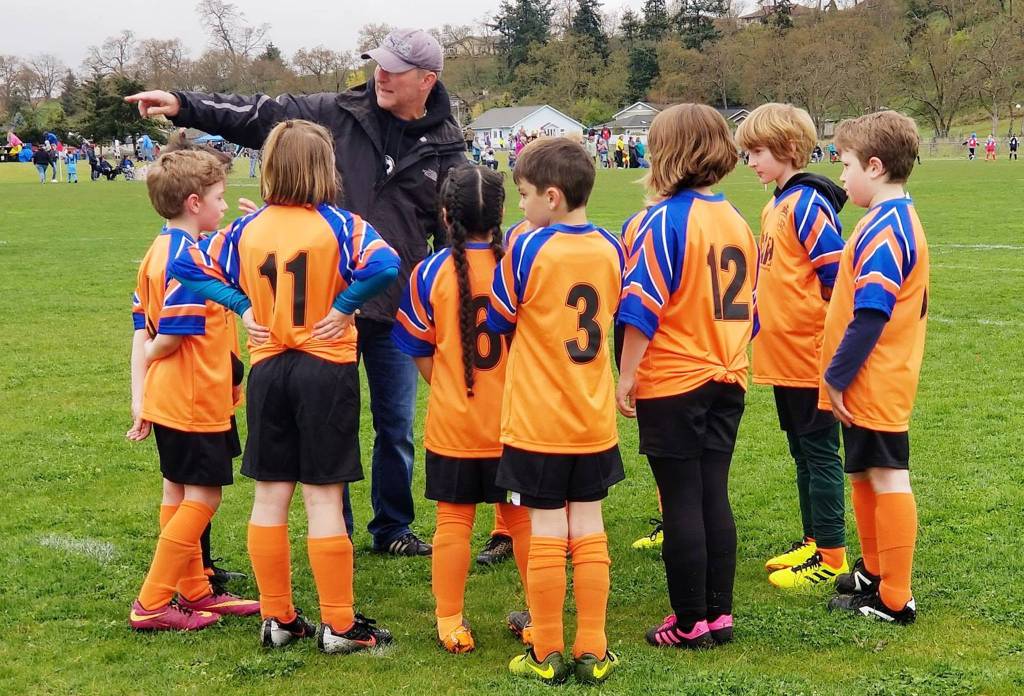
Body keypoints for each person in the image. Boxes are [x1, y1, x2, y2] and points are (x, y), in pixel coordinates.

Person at [128, 27, 468, 557]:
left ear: (426, 80)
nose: (379, 73)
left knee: (396, 426)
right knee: (333, 419)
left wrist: (450, 307)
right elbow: (259, 113)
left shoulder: (447, 144)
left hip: (394, 306)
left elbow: (452, 234)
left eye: (393, 68)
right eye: (377, 63)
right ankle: (339, 527)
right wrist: (183, 105)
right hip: (320, 309)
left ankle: (393, 527)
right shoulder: (337, 110)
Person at [170, 119, 401, 651]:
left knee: (270, 497)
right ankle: (339, 626)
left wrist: (243, 304)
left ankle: (277, 620)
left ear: (270, 167)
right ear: (325, 168)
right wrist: (344, 307)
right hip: (325, 369)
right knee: (323, 499)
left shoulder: (245, 231)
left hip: (269, 370)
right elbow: (386, 264)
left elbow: (187, 263)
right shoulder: (343, 225)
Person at [616, 104, 756, 650]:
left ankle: (689, 620)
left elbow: (640, 307)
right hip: (729, 373)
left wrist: (627, 377)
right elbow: (754, 310)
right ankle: (719, 616)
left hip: (675, 377)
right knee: (713, 493)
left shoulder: (661, 219)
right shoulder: (737, 220)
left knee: (679, 498)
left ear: (665, 153)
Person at [487, 138, 624, 685]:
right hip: (592, 417)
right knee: (589, 526)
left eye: (523, 196)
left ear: (551, 196)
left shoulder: (526, 248)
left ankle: (545, 651)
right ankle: (593, 648)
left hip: (537, 419)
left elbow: (499, 318)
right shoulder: (613, 246)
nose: (519, 207)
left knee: (546, 530)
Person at [392, 165, 532, 654]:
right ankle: (538, 615)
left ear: (445, 213)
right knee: (521, 520)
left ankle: (449, 619)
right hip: (516, 424)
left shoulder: (429, 272)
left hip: (454, 423)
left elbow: (421, 350)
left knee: (454, 521)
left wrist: (451, 383)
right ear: (501, 216)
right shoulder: (520, 264)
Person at [126, 149, 261, 631]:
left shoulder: (160, 249)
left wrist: (142, 392)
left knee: (178, 491)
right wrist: (155, 355)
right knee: (203, 498)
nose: (224, 206)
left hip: (175, 398)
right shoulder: (187, 261)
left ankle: (195, 590)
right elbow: (167, 335)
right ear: (193, 202)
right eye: (219, 198)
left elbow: (140, 320)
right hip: (192, 399)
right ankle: (153, 602)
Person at [735, 103, 849, 588]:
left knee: (820, 451)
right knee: (802, 452)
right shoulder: (775, 204)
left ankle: (832, 555)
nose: (751, 162)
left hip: (809, 354)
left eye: (757, 151)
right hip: (782, 356)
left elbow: (835, 277)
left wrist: (824, 342)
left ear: (786, 148)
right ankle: (812, 540)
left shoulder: (806, 204)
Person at [822, 111, 927, 625]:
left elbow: (871, 314)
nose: (841, 176)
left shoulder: (889, 228)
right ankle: (875, 571)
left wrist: (836, 376)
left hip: (877, 378)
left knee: (887, 476)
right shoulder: (884, 219)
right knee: (863, 473)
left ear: (876, 166)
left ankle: (896, 596)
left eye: (845, 165)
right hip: (868, 380)